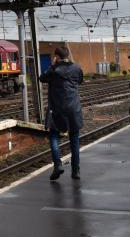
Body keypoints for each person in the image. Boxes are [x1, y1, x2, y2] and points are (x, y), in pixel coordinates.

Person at [40, 46, 84, 181]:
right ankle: (76, 170)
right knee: (74, 139)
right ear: (68, 55)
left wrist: (52, 66)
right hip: (74, 109)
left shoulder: (54, 71)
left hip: (57, 110)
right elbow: (80, 81)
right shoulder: (77, 68)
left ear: (57, 57)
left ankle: (58, 165)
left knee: (53, 136)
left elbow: (41, 78)